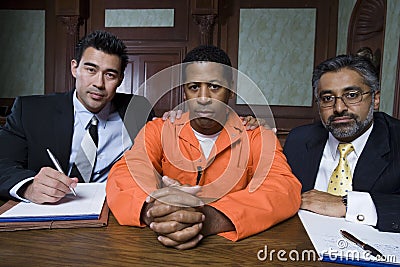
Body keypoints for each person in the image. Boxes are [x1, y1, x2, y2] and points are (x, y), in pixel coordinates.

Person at [106, 45, 302, 250]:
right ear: (184, 91)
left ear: (231, 89)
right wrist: (154, 209)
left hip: (230, 252)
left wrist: (210, 218)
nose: (203, 98)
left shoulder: (257, 135)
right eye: (193, 87)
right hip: (157, 248)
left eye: (214, 87)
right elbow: (125, 173)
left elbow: (283, 188)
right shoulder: (159, 129)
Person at [0, 30, 154, 204]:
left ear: (120, 79)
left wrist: (176, 120)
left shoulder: (138, 110)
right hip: (52, 212)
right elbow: (2, 162)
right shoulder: (30, 111)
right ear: (75, 68)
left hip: (114, 210)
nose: (99, 83)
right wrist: (29, 187)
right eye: (91, 70)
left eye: (109, 75)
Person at [283, 54, 400, 233]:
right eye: (328, 98)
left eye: (352, 95)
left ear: (375, 99)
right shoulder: (299, 140)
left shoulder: (396, 139)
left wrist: (347, 204)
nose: (339, 108)